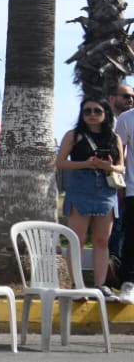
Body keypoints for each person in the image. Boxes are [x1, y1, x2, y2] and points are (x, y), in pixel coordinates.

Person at [54, 99, 124, 293]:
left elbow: (121, 167)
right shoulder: (74, 135)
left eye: (97, 111)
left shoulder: (113, 137)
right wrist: (86, 163)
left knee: (102, 240)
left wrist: (107, 166)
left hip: (105, 190)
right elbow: (60, 163)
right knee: (78, 239)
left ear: (105, 114)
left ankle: (100, 285)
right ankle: (77, 284)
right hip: (80, 188)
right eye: (87, 111)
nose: (92, 114)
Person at [113, 82, 134, 298]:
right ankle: (128, 282)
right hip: (133, 188)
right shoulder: (126, 119)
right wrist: (120, 187)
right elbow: (119, 154)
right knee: (131, 237)